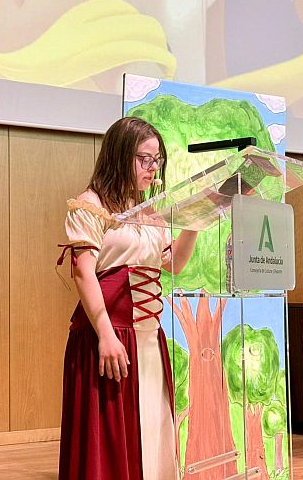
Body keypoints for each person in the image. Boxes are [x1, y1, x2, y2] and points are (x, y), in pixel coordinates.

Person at [57, 117, 198, 480]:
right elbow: (83, 272)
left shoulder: (150, 212)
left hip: (147, 336)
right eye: (144, 159)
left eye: (157, 160)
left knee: (149, 428)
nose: (152, 168)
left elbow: (174, 264)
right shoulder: (90, 204)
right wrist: (105, 335)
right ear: (120, 155)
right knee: (107, 436)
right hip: (106, 333)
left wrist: (194, 222)